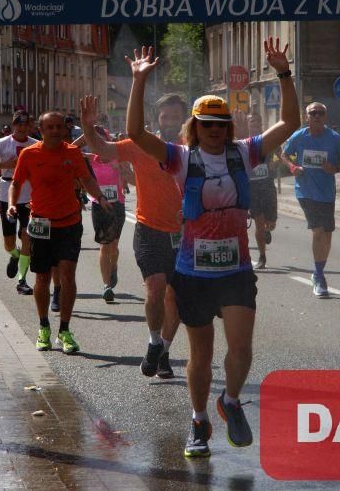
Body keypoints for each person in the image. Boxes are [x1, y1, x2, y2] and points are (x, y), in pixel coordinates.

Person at [125, 40, 299, 459]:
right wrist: (139, 81)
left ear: (228, 128)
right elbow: (135, 135)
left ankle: (231, 401)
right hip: (194, 273)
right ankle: (199, 420)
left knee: (240, 349)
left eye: (220, 124)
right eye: (207, 124)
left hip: (235, 271)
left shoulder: (246, 152)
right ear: (195, 127)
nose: (215, 130)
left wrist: (283, 74)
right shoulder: (180, 158)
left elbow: (289, 123)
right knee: (200, 356)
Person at [78, 92, 187, 380]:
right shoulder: (140, 145)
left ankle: (163, 352)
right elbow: (101, 147)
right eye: (165, 116)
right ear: (156, 118)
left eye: (176, 116)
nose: (170, 121)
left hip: (183, 234)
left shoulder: (192, 147)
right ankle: (154, 341)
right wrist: (88, 126)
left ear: (184, 119)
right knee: (155, 289)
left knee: (175, 299)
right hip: (149, 230)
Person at [9, 111, 112, 355]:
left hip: (69, 223)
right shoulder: (29, 154)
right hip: (41, 224)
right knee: (42, 278)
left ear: (64, 130)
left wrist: (99, 197)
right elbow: (16, 183)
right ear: (41, 130)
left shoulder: (73, 153)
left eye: (59, 127)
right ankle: (44, 327)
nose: (56, 131)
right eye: (50, 127)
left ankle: (64, 330)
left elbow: (86, 179)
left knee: (67, 276)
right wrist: (12, 204)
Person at [282, 102, 340, 298]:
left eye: (320, 113)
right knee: (319, 231)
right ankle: (320, 276)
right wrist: (292, 167)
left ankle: (318, 271)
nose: (316, 116)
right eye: (313, 113)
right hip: (305, 191)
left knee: (327, 236)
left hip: (326, 193)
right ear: (306, 117)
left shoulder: (334, 138)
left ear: (325, 117)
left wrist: (335, 168)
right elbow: (284, 154)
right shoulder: (299, 136)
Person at [0, 112, 37, 296]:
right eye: (19, 125)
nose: (22, 128)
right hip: (7, 194)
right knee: (9, 242)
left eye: (25, 125)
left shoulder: (35, 144)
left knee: (27, 236)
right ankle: (15, 255)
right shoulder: (2, 143)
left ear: (29, 127)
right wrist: (3, 165)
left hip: (29, 195)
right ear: (13, 125)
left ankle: (22, 280)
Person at [84, 127, 126, 304]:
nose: (98, 144)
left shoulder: (118, 157)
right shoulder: (90, 159)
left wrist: (121, 169)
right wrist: (86, 135)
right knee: (104, 245)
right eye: (95, 141)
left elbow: (129, 175)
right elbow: (70, 149)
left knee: (113, 245)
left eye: (101, 140)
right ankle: (106, 285)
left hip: (117, 205)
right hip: (99, 205)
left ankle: (113, 266)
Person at [246, 113, 279, 269]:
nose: (254, 124)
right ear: (247, 124)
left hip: (267, 187)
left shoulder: (268, 139)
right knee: (259, 223)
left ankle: (267, 230)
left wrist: (275, 164)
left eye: (257, 122)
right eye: (251, 121)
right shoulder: (243, 143)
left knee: (271, 223)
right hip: (252, 189)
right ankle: (262, 257)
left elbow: (281, 155)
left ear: (261, 124)